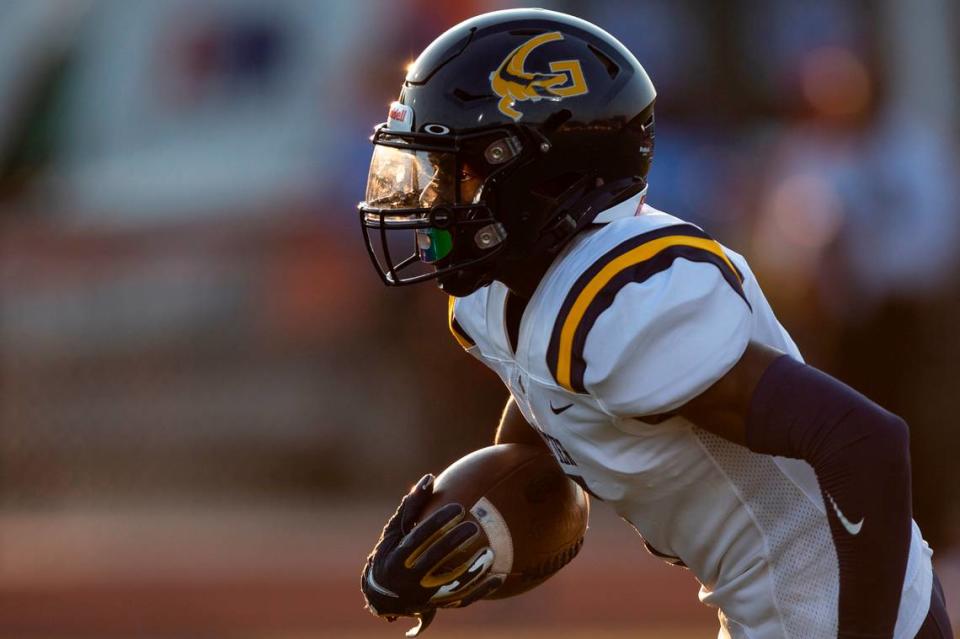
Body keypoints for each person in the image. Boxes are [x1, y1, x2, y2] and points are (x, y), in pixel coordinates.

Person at [356, 8, 951, 639]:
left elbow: (867, 445)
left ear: (535, 176)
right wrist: (465, 536)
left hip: (838, 614)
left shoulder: (630, 302)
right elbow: (540, 445)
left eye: (459, 171)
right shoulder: (498, 292)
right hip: (764, 612)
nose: (427, 198)